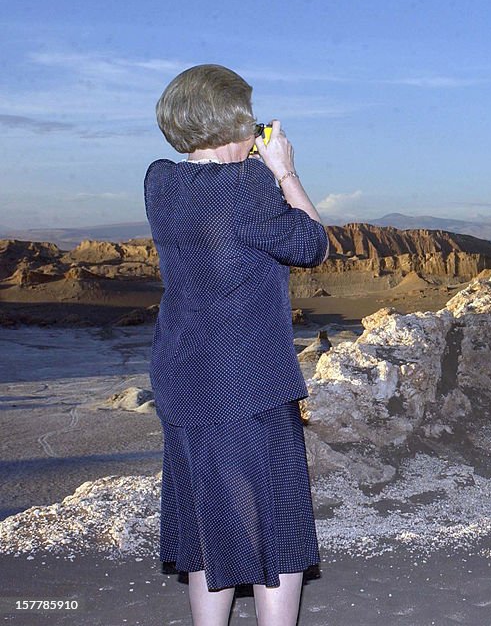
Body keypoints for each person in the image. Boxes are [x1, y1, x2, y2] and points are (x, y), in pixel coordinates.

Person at [146, 64, 328, 625]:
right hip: (248, 380)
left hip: (182, 376)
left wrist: (246, 161)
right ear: (232, 120)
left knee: (207, 518)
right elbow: (313, 245)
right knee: (277, 519)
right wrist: (284, 172)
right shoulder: (250, 187)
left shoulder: (159, 180)